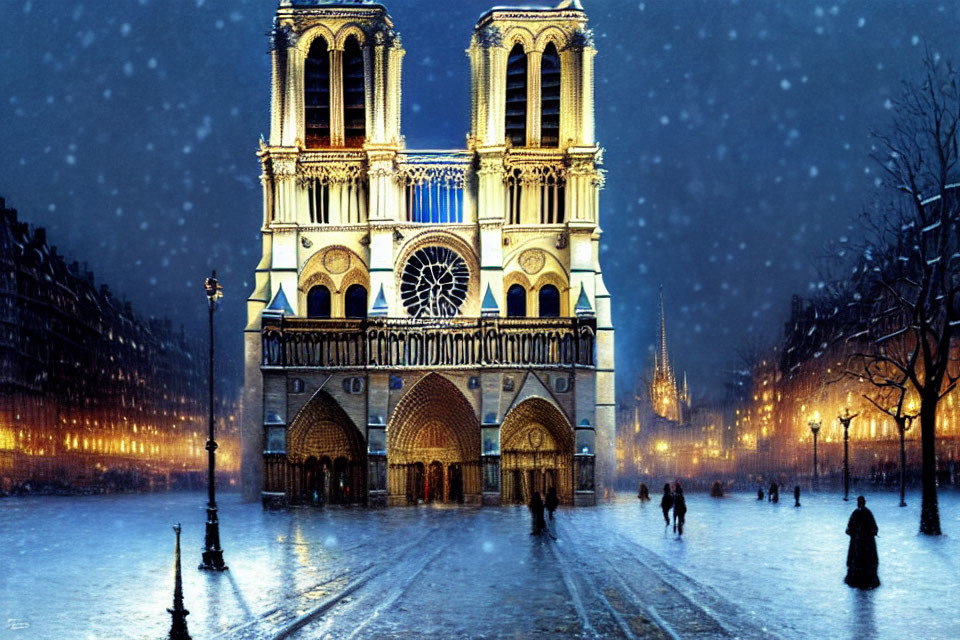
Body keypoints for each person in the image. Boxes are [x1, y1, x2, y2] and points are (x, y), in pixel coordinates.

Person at [845, 495, 880, 589]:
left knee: (861, 559)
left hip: (863, 542)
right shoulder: (860, 513)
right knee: (863, 559)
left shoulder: (863, 513)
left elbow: (850, 528)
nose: (860, 504)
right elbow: (850, 527)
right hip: (861, 542)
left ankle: (860, 578)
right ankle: (864, 578)